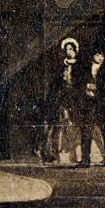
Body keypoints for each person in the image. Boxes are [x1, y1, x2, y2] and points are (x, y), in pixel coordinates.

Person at [41, 37, 82, 165]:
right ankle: (57, 155)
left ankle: (76, 155)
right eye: (67, 49)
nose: (69, 52)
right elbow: (56, 84)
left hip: (75, 99)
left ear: (75, 51)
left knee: (74, 125)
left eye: (71, 49)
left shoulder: (80, 66)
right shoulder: (61, 67)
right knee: (59, 126)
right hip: (62, 99)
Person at [77, 50, 105, 166]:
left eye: (102, 55)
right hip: (87, 104)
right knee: (86, 131)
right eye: (97, 55)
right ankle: (85, 160)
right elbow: (79, 83)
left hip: (101, 104)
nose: (100, 58)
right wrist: (86, 87)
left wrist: (97, 89)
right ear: (92, 56)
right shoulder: (86, 69)